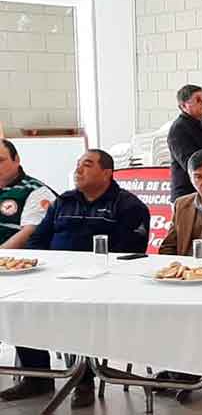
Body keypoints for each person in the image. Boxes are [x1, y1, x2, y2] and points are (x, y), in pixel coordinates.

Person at [1, 150, 150, 408]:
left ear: (107, 173)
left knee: (81, 307)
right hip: (52, 276)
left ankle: (83, 379)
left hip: (102, 282)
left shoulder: (129, 206)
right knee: (21, 301)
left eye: (87, 165)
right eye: (77, 165)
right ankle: (37, 376)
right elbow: (37, 242)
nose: (78, 170)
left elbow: (130, 253)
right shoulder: (64, 201)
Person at [0, 139, 56, 249]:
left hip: (12, 260)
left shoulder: (37, 191)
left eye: (0, 160)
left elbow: (29, 234)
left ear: (16, 159)